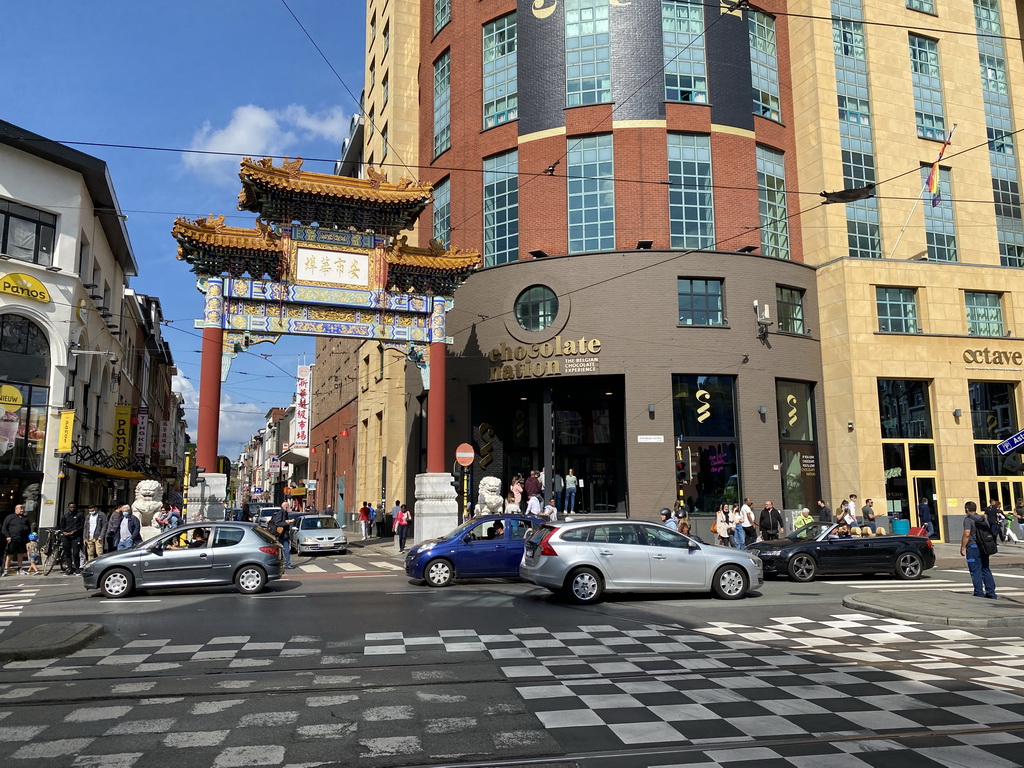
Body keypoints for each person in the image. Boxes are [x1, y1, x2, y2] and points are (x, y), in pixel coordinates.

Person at [961, 500, 997, 599]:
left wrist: (962, 547)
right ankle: (991, 592)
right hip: (984, 547)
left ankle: (979, 592)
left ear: (967, 509)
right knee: (985, 569)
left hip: (973, 547)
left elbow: (966, 534)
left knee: (975, 570)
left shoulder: (968, 520)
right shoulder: (982, 518)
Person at [2, 504, 32, 575]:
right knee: (10, 554)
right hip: (12, 539)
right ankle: (6, 569)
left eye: (23, 509)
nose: (22, 510)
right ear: (16, 509)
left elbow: (28, 528)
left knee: (20, 553)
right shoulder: (10, 517)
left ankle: (19, 568)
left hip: (22, 539)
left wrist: (28, 537)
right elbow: (4, 528)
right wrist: (7, 536)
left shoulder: (25, 518)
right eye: (20, 509)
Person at [61, 501, 86, 572]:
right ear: (68, 508)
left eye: (74, 507)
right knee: (67, 553)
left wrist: (75, 531)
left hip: (76, 536)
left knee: (75, 553)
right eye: (71, 507)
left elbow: (82, 525)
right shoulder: (65, 516)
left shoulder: (80, 515)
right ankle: (69, 568)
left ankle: (77, 568)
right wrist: (64, 532)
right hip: (66, 537)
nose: (72, 508)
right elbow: (62, 527)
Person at [270, 502, 295, 569]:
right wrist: (287, 523)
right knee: (286, 549)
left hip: (282, 534)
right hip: (281, 534)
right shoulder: (281, 513)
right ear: (286, 506)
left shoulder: (283, 512)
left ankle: (284, 563)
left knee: (282, 549)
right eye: (288, 506)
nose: (289, 508)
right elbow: (277, 523)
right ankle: (287, 564)